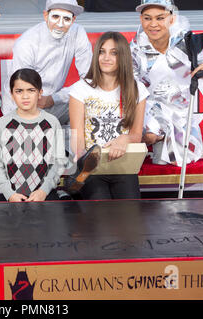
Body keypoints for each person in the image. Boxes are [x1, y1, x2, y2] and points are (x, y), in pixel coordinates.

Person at [130, 0, 203, 166]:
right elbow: (129, 86)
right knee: (150, 138)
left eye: (160, 18)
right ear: (141, 19)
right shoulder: (135, 48)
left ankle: (162, 137)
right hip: (147, 110)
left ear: (171, 18)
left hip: (180, 113)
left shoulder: (186, 42)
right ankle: (155, 136)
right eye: (147, 18)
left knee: (178, 159)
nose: (153, 24)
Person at [68, 32, 149, 200]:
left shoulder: (137, 89)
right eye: (102, 52)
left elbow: (136, 134)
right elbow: (78, 140)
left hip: (123, 165)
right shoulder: (80, 89)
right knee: (101, 215)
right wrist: (85, 164)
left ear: (123, 57)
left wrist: (123, 139)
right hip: (92, 168)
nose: (106, 58)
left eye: (113, 53)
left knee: (129, 214)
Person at [1, 0, 92, 128]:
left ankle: (77, 147)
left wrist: (55, 98)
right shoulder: (27, 42)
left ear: (73, 20)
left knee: (92, 103)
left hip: (54, 102)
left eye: (66, 18)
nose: (60, 24)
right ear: (45, 15)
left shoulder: (77, 33)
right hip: (20, 106)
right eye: (55, 17)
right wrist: (49, 99)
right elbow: (22, 92)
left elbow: (90, 79)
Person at [0, 68, 68, 202]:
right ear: (12, 95)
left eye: (31, 90)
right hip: (11, 196)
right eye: (19, 91)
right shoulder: (2, 124)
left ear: (40, 93)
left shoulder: (52, 123)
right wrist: (9, 194)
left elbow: (59, 162)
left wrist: (43, 191)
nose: (25, 96)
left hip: (45, 195)